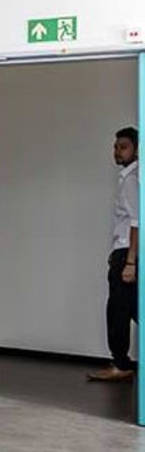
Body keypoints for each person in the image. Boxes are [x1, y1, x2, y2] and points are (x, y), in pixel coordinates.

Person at [89, 127, 139, 382]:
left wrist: (129, 262)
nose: (117, 151)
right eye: (115, 146)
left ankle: (120, 364)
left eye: (123, 147)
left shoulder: (131, 180)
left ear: (137, 149)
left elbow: (136, 222)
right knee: (131, 308)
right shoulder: (129, 178)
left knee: (118, 310)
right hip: (125, 254)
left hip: (125, 255)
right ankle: (122, 362)